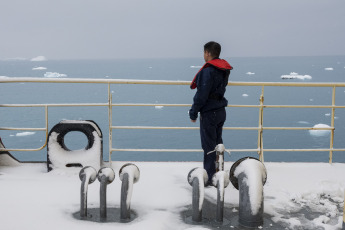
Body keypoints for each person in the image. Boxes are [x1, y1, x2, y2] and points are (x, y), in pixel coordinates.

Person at [189, 41, 233, 186]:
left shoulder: (208, 71)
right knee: (218, 144)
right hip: (221, 110)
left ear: (207, 53)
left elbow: (202, 95)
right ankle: (219, 173)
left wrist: (193, 112)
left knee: (209, 147)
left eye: (204, 52)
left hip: (209, 112)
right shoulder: (223, 70)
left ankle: (210, 178)